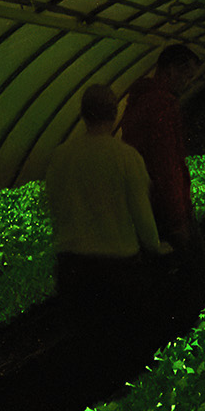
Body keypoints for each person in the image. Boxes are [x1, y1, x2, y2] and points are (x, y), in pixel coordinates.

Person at [44, 84, 171, 333]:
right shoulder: (126, 156)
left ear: (82, 114)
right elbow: (141, 213)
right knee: (117, 341)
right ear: (114, 115)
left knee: (82, 341)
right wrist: (155, 247)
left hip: (72, 267)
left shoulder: (61, 155)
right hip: (117, 268)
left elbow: (54, 206)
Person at [119, 44, 203, 259]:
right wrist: (178, 221)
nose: (188, 83)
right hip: (163, 213)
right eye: (187, 75)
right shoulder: (162, 105)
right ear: (171, 69)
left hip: (143, 208)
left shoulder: (138, 102)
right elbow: (167, 167)